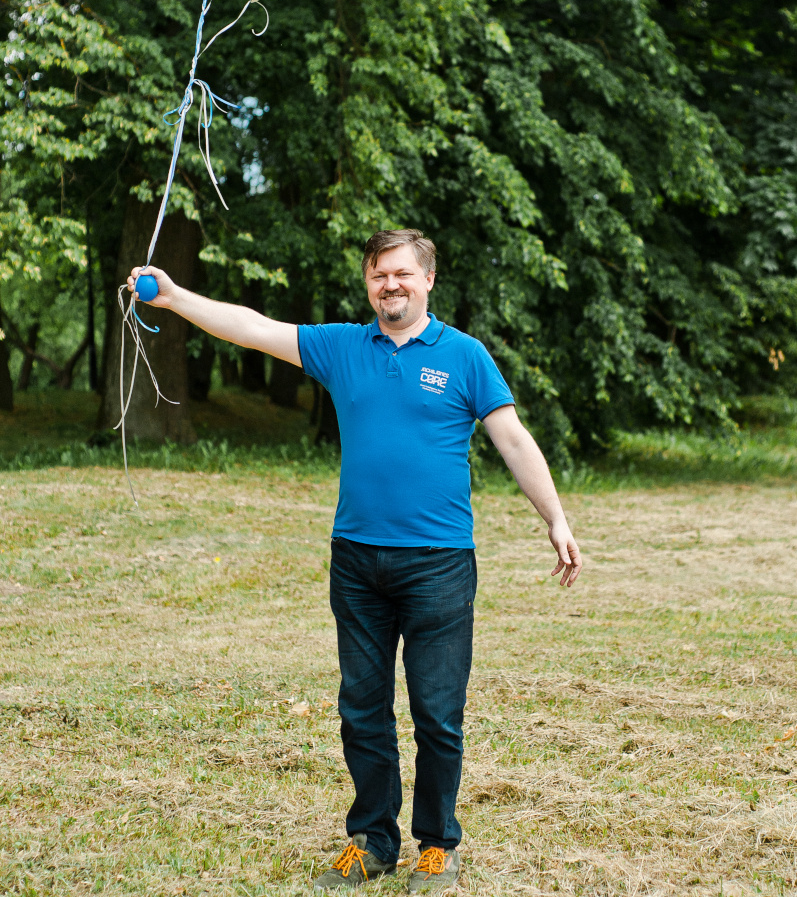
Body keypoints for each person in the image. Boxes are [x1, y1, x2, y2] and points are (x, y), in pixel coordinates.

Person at [127, 227, 582, 894]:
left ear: (427, 279)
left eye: (401, 274)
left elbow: (511, 439)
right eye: (378, 275)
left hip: (439, 565)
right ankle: (371, 841)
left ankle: (436, 844)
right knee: (362, 709)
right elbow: (252, 328)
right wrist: (174, 297)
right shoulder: (342, 346)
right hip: (358, 562)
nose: (389, 285)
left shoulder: (464, 356)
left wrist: (556, 518)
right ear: (368, 283)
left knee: (436, 712)